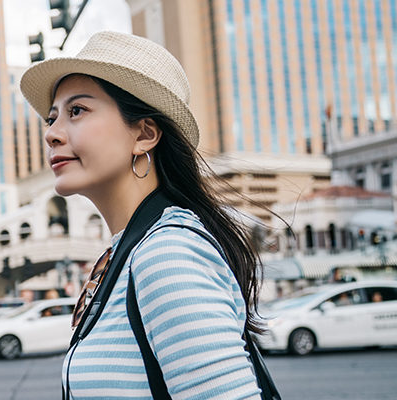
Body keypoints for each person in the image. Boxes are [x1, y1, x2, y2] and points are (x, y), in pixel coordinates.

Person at [20, 31, 264, 398]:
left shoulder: (166, 253)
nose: (52, 134)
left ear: (144, 134)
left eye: (77, 111)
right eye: (51, 118)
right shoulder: (128, 252)